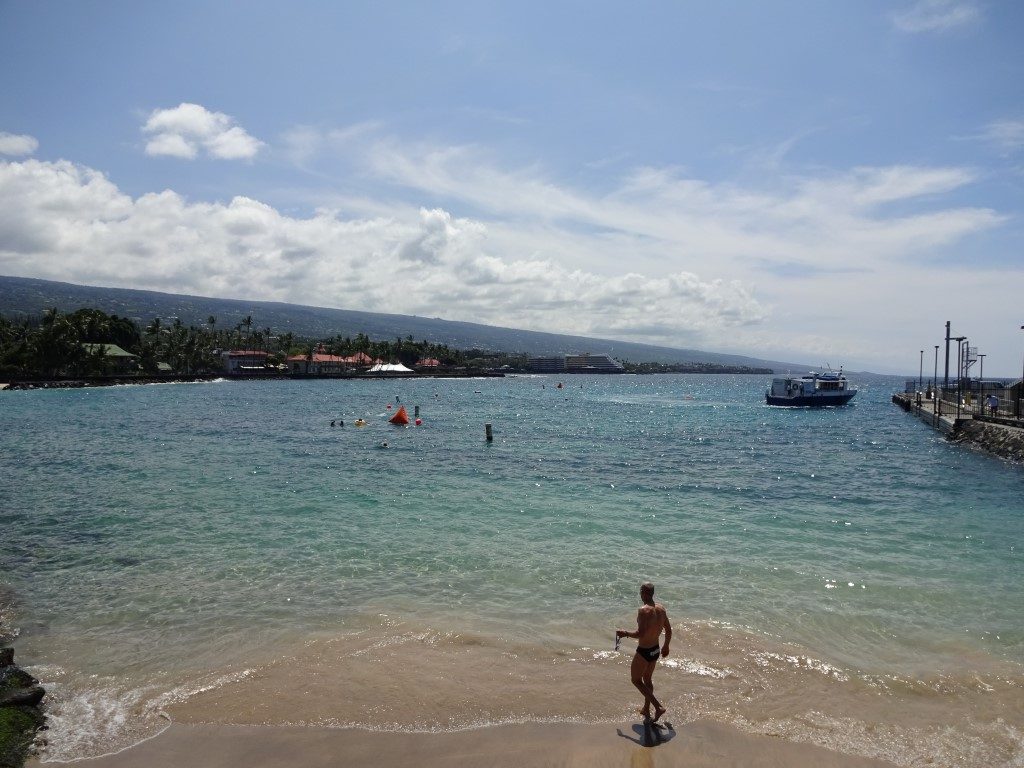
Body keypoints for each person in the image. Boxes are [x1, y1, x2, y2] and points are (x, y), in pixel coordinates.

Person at [616, 582, 672, 723]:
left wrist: (625, 633)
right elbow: (669, 630)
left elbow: (640, 634)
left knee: (635, 680)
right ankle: (646, 709)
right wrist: (666, 646)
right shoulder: (661, 609)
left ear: (643, 592)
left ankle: (658, 707)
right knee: (647, 680)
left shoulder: (643, 611)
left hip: (644, 651)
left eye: (640, 592)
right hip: (655, 650)